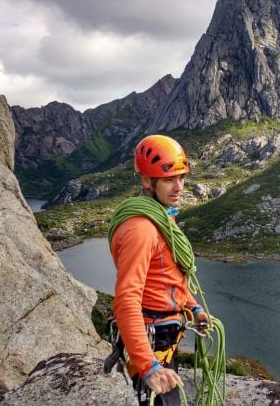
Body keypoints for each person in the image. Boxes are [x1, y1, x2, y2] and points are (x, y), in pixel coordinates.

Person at [108, 134, 210, 406]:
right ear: (146, 181)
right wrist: (147, 365)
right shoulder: (141, 229)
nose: (178, 187)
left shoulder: (163, 219)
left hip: (165, 336)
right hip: (152, 341)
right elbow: (126, 299)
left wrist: (193, 307)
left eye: (181, 177)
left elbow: (167, 278)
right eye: (168, 179)